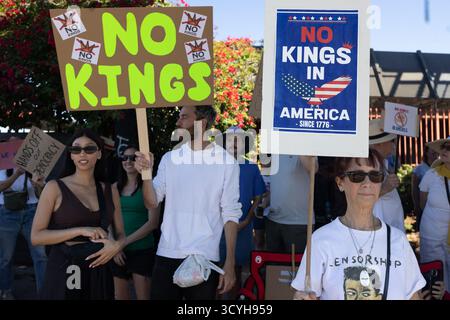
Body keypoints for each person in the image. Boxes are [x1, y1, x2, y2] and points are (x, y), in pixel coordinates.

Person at [134, 105, 242, 300]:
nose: (178, 122)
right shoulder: (170, 159)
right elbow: (151, 203)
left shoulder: (227, 162)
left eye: (184, 117)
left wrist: (230, 263)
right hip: (167, 252)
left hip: (204, 257)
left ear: (201, 122)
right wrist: (146, 174)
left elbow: (231, 214)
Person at [291, 149, 426, 300]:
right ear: (340, 182)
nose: (367, 183)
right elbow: (306, 294)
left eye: (375, 176)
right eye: (357, 176)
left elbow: (414, 296)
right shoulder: (321, 240)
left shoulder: (398, 241)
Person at [31, 129, 126, 300]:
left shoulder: (110, 191)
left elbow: (121, 234)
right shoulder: (54, 188)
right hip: (66, 270)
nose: (82, 153)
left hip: (99, 272)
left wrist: (117, 246)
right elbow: (37, 237)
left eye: (89, 149)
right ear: (71, 155)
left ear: (98, 154)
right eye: (76, 149)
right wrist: (81, 230)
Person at [219, 126, 266, 298]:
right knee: (215, 267)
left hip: (243, 228)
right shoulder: (216, 165)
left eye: (239, 139)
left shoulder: (251, 167)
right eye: (231, 139)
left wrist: (247, 220)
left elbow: (258, 196)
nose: (235, 142)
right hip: (219, 228)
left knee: (236, 270)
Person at [111, 146, 160, 300]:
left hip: (142, 249)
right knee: (120, 297)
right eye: (124, 158)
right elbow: (108, 220)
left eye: (133, 158)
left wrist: (122, 243)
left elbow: (153, 223)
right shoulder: (114, 188)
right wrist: (114, 245)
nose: (128, 161)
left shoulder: (152, 187)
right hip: (118, 251)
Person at [0, 140, 47, 299]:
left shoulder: (36, 164)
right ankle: (6, 291)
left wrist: (38, 185)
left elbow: (43, 194)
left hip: (32, 211)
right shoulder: (2, 163)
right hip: (7, 213)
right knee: (6, 257)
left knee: (40, 255)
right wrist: (16, 174)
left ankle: (44, 292)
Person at [265, 154, 318, 254]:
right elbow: (277, 182)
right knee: (272, 267)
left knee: (298, 268)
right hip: (273, 220)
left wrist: (296, 142)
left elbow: (313, 168)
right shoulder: (275, 148)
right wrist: (265, 203)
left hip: (297, 223)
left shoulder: (304, 143)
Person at [419, 137, 450, 293]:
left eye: (449, 148)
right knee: (433, 278)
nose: (444, 150)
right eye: (443, 147)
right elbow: (422, 201)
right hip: (432, 236)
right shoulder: (432, 174)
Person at [369, 119, 405, 232]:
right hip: (379, 228)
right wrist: (385, 188)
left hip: (389, 227)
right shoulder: (367, 165)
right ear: (379, 144)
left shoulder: (382, 162)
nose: (394, 146)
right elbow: (360, 195)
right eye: (391, 141)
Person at [412, 144, 438, 230]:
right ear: (426, 152)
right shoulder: (419, 169)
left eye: (436, 151)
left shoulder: (441, 168)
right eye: (432, 151)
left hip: (438, 205)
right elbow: (415, 189)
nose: (435, 153)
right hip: (424, 204)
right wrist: (416, 205)